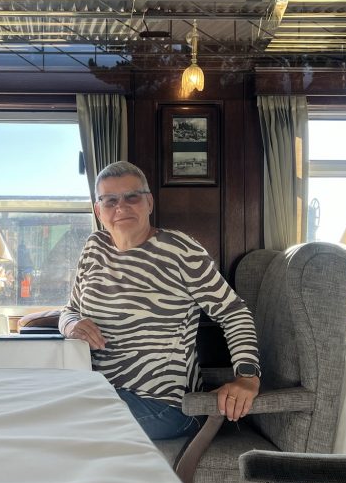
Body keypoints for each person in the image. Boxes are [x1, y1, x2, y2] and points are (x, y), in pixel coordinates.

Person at [59, 161, 260, 441]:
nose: (121, 207)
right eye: (110, 200)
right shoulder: (94, 248)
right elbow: (70, 310)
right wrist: (72, 325)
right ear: (98, 210)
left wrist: (247, 377)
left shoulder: (181, 250)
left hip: (166, 405)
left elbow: (234, 313)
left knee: (57, 421)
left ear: (149, 203)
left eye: (132, 197)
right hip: (100, 391)